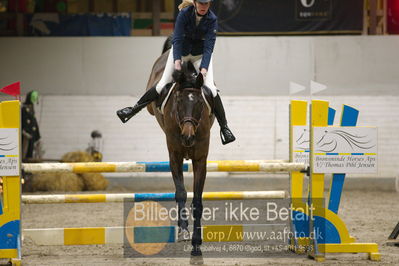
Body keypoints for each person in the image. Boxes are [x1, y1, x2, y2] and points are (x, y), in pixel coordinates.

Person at [117, 0, 236, 145]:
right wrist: (177, 61)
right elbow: (178, 39)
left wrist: (204, 68)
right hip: (180, 53)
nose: (203, 7)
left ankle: (224, 128)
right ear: (195, 3)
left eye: (206, 4)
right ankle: (133, 110)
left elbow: (209, 46)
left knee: (211, 89)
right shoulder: (184, 14)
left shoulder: (212, 19)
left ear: (209, 4)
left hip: (200, 56)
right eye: (201, 3)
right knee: (161, 85)